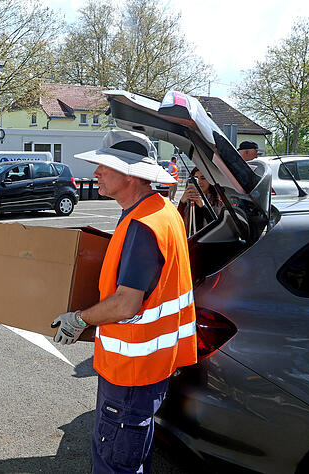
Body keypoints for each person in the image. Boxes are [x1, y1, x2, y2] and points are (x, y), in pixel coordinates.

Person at [50, 130, 197, 473]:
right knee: (133, 456)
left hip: (130, 373)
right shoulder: (162, 211)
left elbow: (126, 304)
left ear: (129, 173)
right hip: (151, 367)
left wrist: (79, 319)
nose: (96, 173)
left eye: (104, 166)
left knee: (115, 463)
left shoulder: (142, 225)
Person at [177, 167, 224, 235]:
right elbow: (177, 222)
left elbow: (217, 227)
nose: (199, 182)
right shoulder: (187, 200)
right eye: (195, 179)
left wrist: (203, 206)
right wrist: (182, 203)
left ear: (210, 181)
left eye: (203, 178)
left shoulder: (217, 202)